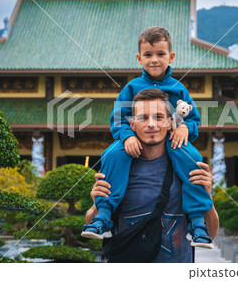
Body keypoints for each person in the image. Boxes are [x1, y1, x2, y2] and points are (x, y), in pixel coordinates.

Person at [82, 27, 213, 248]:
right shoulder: (131, 88)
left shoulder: (179, 89)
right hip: (134, 139)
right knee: (112, 154)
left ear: (171, 57)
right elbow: (118, 119)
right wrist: (126, 137)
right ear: (139, 58)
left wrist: (185, 129)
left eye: (160, 54)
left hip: (173, 140)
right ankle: (103, 215)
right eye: (148, 55)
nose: (154, 60)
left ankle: (198, 223)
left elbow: (193, 119)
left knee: (194, 158)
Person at [85, 89, 219, 262]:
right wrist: (96, 205)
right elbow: (90, 223)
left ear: (170, 122)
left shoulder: (187, 169)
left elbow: (212, 233)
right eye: (143, 118)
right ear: (132, 125)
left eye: (158, 117)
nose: (151, 124)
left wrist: (207, 196)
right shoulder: (118, 168)